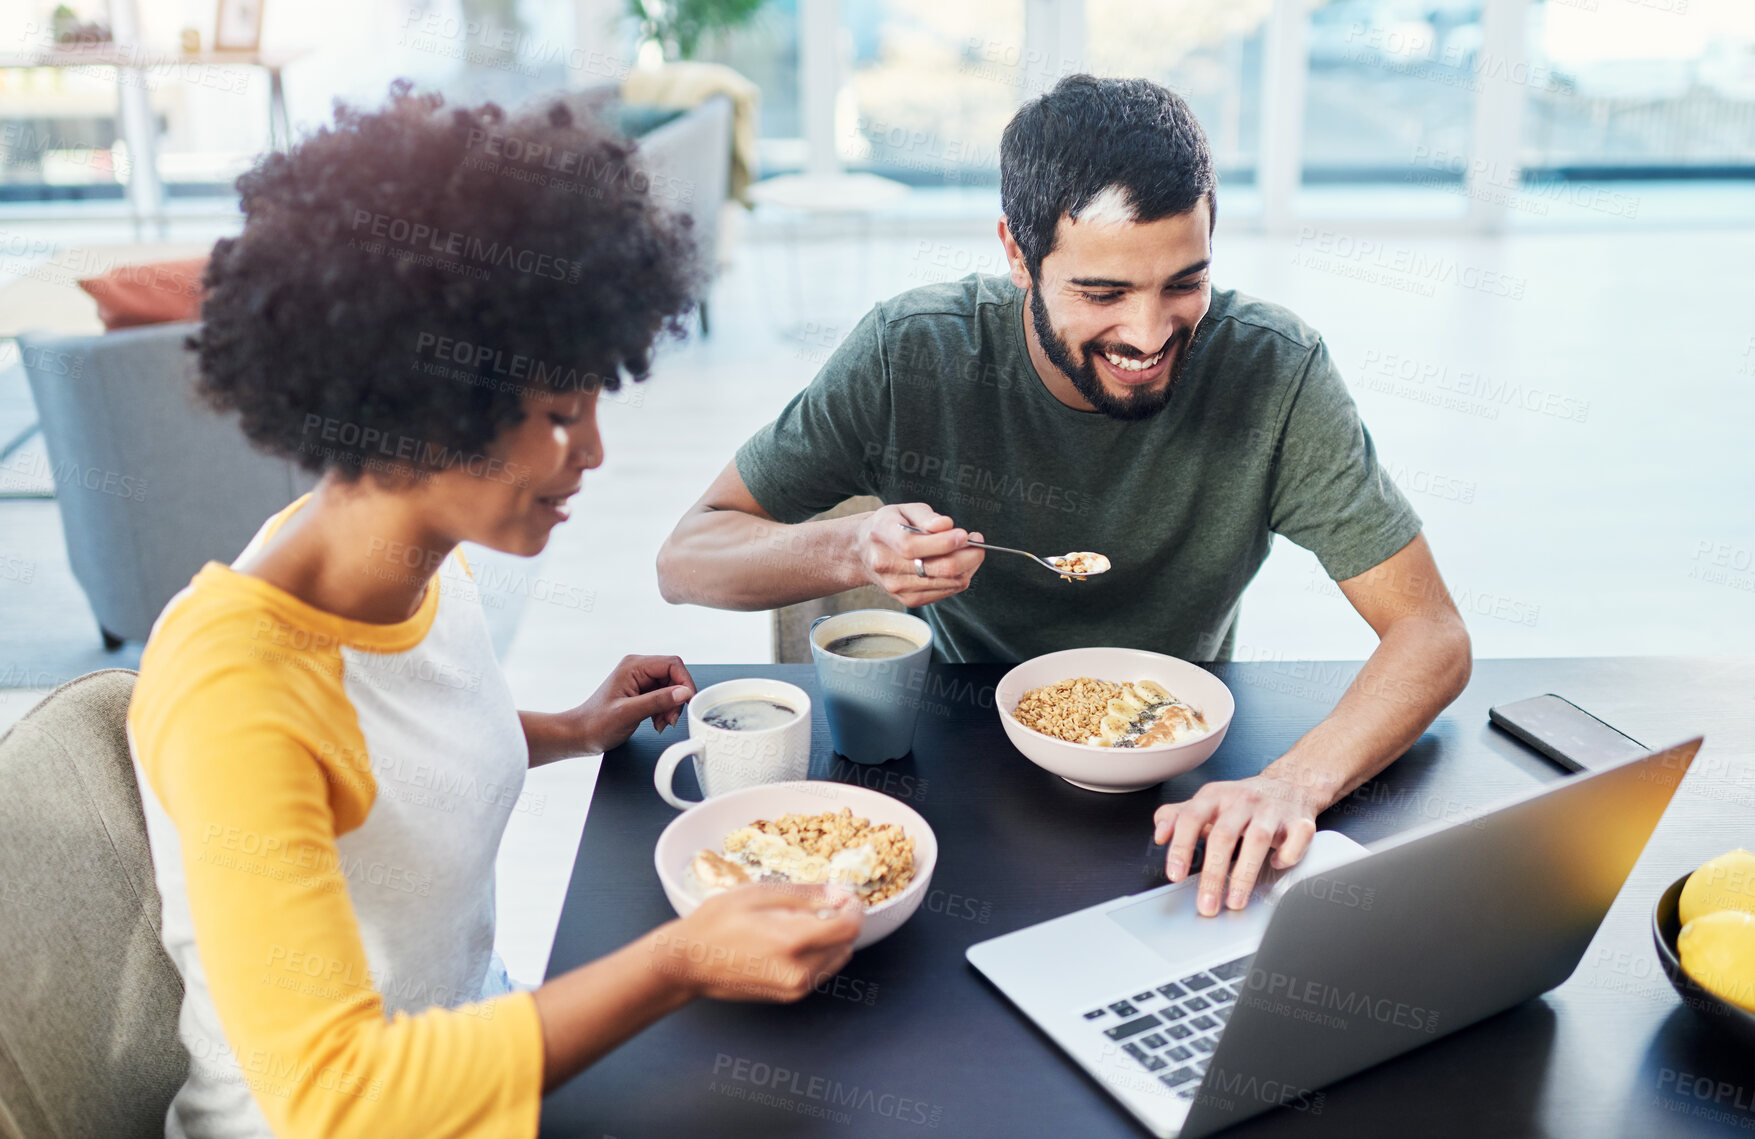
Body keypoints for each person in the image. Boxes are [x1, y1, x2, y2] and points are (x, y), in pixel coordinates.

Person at [128, 83, 861, 1139]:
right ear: (425, 407)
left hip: (484, 1053)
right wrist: (679, 960)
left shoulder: (408, 561)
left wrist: (568, 728)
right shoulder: (234, 687)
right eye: (561, 416)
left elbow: (378, 771)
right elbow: (339, 1096)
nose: (594, 452)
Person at [656, 75, 1472, 916]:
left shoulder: (1273, 371)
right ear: (1016, 253)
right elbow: (686, 558)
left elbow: (1431, 633)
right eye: (1102, 294)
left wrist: (1292, 785)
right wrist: (850, 546)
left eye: (1182, 283)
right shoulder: (911, 356)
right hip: (963, 771)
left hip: (1186, 782)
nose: (1149, 336)